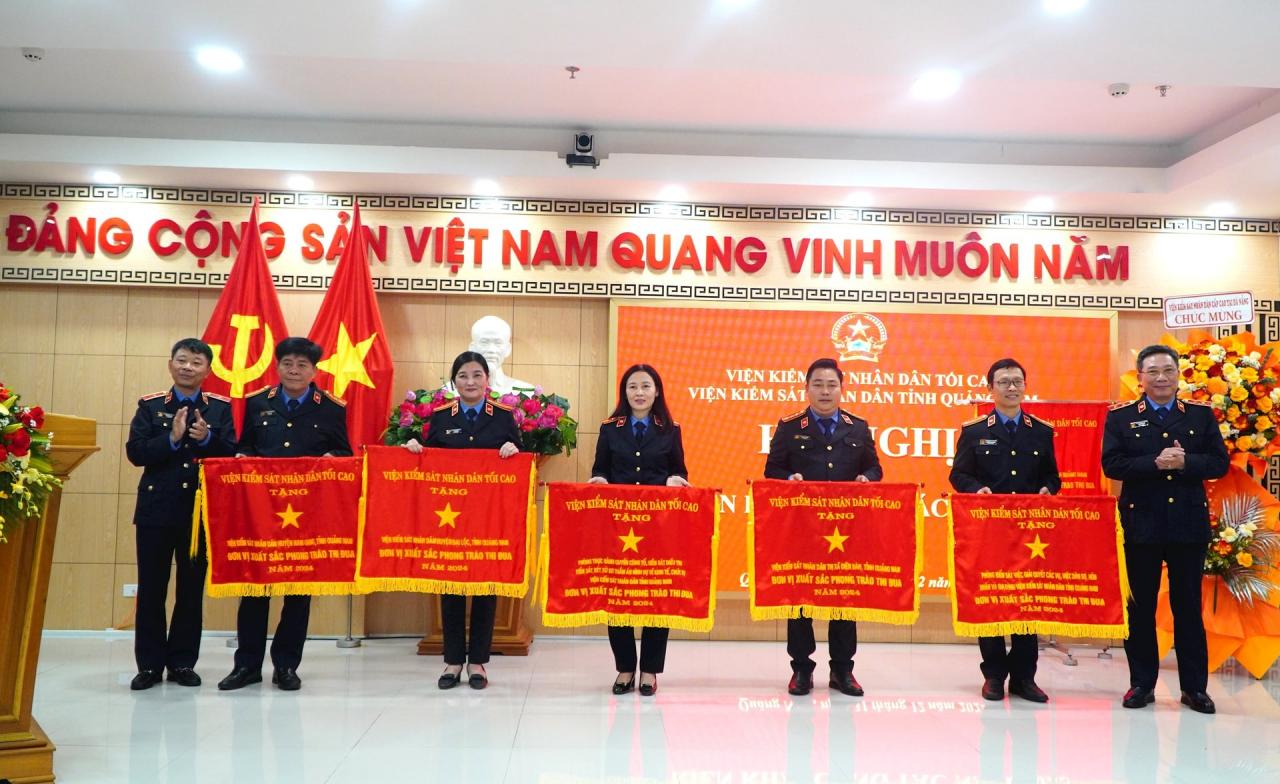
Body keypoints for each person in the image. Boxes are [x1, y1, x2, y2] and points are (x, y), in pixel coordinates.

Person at [218, 337, 352, 693]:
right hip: (262, 513)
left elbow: (344, 451)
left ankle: (287, 666)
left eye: (302, 365)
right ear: (277, 366)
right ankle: (246, 666)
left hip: (306, 515)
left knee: (297, 592)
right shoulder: (257, 402)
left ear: (314, 371)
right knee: (255, 588)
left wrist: (332, 460)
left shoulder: (332, 408)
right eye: (288, 364)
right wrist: (243, 457)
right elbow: (243, 445)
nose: (294, 371)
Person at [1102, 344, 1228, 714]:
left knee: (1187, 606)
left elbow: (1219, 463)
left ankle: (1194, 688)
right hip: (1141, 523)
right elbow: (1112, 464)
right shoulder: (1122, 417)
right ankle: (1141, 684)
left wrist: (1186, 461)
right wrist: (1154, 463)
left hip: (1187, 524)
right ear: (1140, 378)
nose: (1161, 378)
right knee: (1139, 608)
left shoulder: (1201, 416)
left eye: (1168, 371)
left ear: (1178, 375)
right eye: (1153, 371)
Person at [764, 357, 882, 697]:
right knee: (801, 600)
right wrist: (790, 478)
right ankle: (801, 669)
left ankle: (843, 671)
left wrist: (866, 478)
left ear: (842, 388)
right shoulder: (790, 427)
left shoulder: (857, 427)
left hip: (844, 532)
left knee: (843, 599)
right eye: (818, 384)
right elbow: (772, 470)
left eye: (832, 384)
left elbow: (876, 468)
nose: (825, 391)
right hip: (802, 529)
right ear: (807, 388)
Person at [404, 350, 521, 690]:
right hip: (450, 521)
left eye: (477, 376)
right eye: (463, 376)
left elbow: (519, 457)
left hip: (487, 519)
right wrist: (415, 448)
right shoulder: (441, 417)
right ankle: (453, 661)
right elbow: (429, 459)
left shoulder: (503, 417)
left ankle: (479, 662)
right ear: (454, 382)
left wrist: (512, 449)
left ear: (488, 380)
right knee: (452, 587)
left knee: (485, 587)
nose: (470, 382)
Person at [125, 338, 237, 690]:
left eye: (197, 362)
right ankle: (149, 666)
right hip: (156, 512)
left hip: (199, 515)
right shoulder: (151, 406)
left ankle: (182, 663)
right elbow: (136, 453)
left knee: (190, 591)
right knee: (153, 589)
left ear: (208, 369)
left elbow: (232, 454)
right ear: (170, 363)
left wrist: (207, 440)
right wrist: (170, 440)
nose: (188, 367)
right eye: (183, 360)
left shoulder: (219, 409)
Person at [949, 358, 1060, 703]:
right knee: (993, 600)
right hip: (990, 530)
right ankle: (994, 675)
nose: (1011, 387)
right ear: (990, 389)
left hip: (1030, 533)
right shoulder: (975, 431)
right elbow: (959, 476)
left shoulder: (1041, 431)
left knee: (1026, 601)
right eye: (1004, 382)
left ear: (1025, 386)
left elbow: (1052, 476)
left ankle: (1025, 678)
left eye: (1017, 381)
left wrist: (1048, 489)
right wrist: (976, 489)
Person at [588, 364, 690, 697]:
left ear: (657, 391)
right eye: (633, 386)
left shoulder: (670, 429)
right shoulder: (609, 428)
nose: (640, 392)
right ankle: (624, 668)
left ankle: (649, 670)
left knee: (654, 594)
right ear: (625, 392)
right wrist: (599, 481)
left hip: (658, 526)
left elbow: (680, 473)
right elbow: (600, 470)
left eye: (646, 386)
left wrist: (676, 482)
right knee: (617, 594)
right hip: (618, 525)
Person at [467, 315, 534, 394]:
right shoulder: (452, 391)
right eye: (484, 342)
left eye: (498, 343)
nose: (491, 350)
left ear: (508, 349)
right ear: (472, 348)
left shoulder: (526, 392)